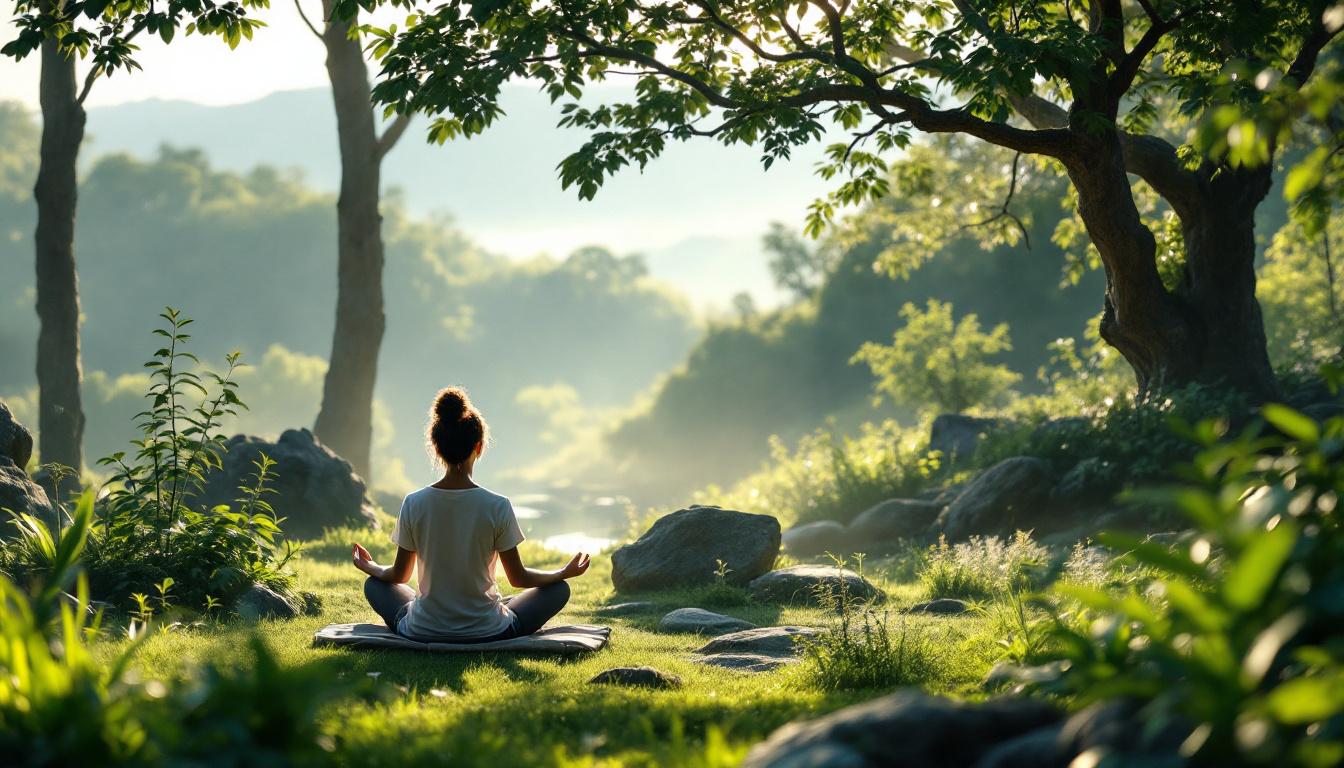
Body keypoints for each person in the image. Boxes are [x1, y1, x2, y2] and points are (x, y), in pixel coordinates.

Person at [352, 386, 590, 641]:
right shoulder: (497, 505)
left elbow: (399, 575)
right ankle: (492, 612)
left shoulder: (414, 503)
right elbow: (518, 577)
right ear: (479, 446)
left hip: (423, 630)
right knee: (558, 590)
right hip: (490, 631)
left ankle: (432, 615)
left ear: (436, 447)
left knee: (376, 584)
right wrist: (562, 573)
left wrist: (371, 566)